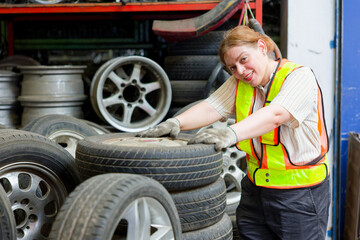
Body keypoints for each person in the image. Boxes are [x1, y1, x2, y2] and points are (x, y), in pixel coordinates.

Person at [138, 25, 330, 240]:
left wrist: (230, 134)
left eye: (244, 59)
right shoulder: (241, 82)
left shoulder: (298, 77)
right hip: (255, 191)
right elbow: (212, 107)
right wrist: (175, 123)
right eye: (232, 67)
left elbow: (276, 114)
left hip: (300, 193)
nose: (240, 71)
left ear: (261, 46)